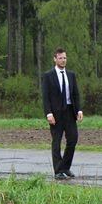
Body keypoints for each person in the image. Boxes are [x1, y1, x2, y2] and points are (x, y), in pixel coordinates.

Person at [41, 48, 83, 180]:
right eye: (60, 58)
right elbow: (45, 96)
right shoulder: (48, 76)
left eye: (65, 58)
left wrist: (79, 110)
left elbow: (75, 93)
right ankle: (58, 170)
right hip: (56, 114)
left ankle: (65, 167)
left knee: (73, 140)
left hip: (70, 112)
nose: (63, 60)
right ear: (55, 59)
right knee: (57, 142)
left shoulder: (71, 75)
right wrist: (49, 114)